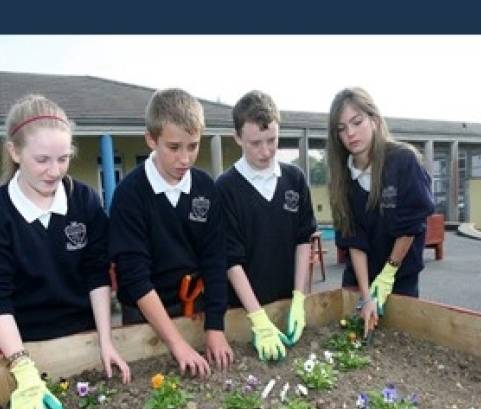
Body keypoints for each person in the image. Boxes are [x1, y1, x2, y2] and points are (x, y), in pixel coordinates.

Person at [0, 94, 130, 409]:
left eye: (63, 158)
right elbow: (1, 299)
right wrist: (23, 368)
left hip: (81, 335)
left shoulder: (85, 200)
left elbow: (96, 275)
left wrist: (105, 341)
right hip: (26, 343)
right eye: (42, 160)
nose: (54, 171)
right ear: (14, 152)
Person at [109, 88, 234, 378]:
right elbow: (134, 277)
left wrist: (215, 326)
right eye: (174, 147)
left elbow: (215, 260)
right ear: (151, 140)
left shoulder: (206, 189)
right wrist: (177, 343)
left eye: (193, 146)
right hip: (143, 314)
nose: (185, 159)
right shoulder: (130, 195)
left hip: (195, 306)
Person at [216, 90, 317, 362]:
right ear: (237, 138)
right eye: (255, 143)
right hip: (244, 312)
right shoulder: (225, 189)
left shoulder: (294, 178)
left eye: (272, 140)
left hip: (285, 305)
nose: (265, 151)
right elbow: (230, 260)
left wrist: (299, 298)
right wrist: (258, 319)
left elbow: (303, 240)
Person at [327, 87, 434, 335]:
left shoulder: (403, 161)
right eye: (341, 129)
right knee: (353, 340)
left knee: (400, 342)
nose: (350, 133)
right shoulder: (342, 177)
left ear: (374, 120)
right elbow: (354, 241)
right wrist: (366, 296)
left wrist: (385, 279)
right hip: (358, 280)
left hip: (398, 279)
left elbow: (411, 226)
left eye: (357, 122)